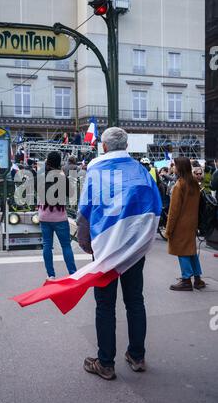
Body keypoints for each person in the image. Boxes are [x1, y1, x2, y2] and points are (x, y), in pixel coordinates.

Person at [77, 127, 162, 380]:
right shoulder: (141, 171)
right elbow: (156, 206)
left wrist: (85, 242)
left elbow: (84, 212)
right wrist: (144, 240)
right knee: (135, 301)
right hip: (134, 249)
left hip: (105, 249)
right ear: (126, 145)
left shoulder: (96, 171)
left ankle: (105, 363)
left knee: (105, 305)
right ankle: (137, 356)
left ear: (104, 147)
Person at [165, 157, 205, 291]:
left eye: (175, 166)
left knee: (182, 252)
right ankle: (198, 279)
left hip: (180, 225)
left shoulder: (179, 185)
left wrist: (168, 230)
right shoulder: (194, 182)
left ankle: (186, 279)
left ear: (179, 167)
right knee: (191, 250)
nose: (173, 168)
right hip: (192, 223)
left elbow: (173, 211)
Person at [38, 151, 77, 280]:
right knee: (66, 245)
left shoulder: (41, 177)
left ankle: (51, 275)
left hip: (44, 216)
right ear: (59, 162)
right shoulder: (61, 178)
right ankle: (73, 273)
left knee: (47, 246)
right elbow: (71, 194)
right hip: (59, 217)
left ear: (48, 162)